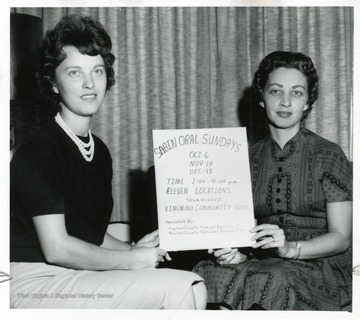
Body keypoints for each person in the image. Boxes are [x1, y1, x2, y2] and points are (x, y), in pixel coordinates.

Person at [10, 14, 206, 309]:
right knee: (179, 288)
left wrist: (133, 248)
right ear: (52, 82)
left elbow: (92, 234)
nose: (90, 83)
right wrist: (130, 260)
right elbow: (57, 248)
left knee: (193, 284)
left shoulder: (98, 151)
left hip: (72, 274)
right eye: (75, 73)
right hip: (30, 280)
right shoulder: (39, 149)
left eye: (98, 71)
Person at [193, 51, 352, 311]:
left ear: (308, 103)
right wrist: (236, 252)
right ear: (262, 99)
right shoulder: (245, 159)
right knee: (207, 270)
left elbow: (341, 237)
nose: (286, 102)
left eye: (297, 93)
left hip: (320, 265)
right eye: (276, 91)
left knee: (273, 277)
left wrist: (291, 249)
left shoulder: (328, 155)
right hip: (264, 260)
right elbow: (245, 232)